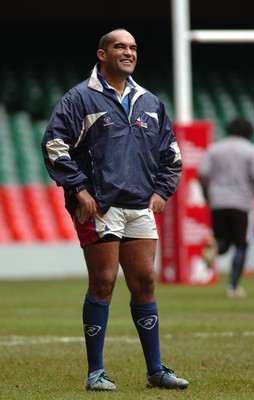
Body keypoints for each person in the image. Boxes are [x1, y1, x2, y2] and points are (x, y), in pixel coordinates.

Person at [41, 28, 189, 391]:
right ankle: (95, 372)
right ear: (102, 55)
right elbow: (54, 145)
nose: (128, 52)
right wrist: (78, 189)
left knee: (145, 282)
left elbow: (171, 155)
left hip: (139, 206)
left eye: (134, 47)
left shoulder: (151, 102)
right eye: (120, 46)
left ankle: (156, 371)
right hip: (99, 207)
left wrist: (162, 192)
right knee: (104, 282)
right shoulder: (79, 98)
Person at [198, 117, 254, 298]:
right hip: (241, 202)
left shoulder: (215, 148)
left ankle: (213, 246)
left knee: (222, 242)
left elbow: (202, 173)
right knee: (242, 244)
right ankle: (232, 286)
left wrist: (207, 194)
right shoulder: (251, 150)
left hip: (217, 201)